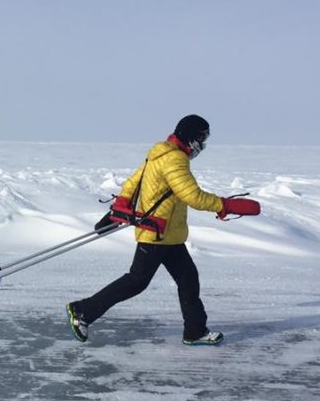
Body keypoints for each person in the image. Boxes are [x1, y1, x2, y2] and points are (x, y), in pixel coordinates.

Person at [66, 114, 260, 346]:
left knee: (188, 279)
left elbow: (132, 183)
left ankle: (195, 331)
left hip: (169, 235)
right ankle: (83, 311)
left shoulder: (160, 153)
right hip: (156, 233)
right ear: (190, 137)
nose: (203, 144)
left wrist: (121, 205)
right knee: (137, 281)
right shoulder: (174, 160)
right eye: (202, 138)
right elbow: (192, 196)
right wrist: (225, 205)